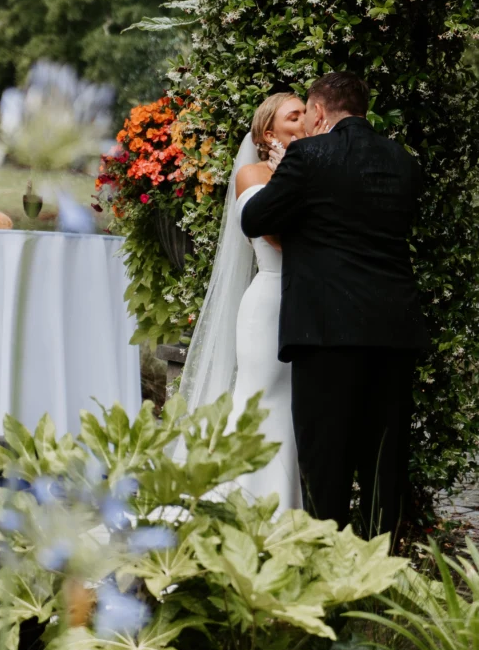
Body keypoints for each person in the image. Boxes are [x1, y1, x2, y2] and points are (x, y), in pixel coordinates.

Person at [240, 71, 430, 537]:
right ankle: (381, 569)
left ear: (319, 113)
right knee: (384, 463)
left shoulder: (309, 155)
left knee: (326, 466)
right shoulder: (402, 161)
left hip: (326, 333)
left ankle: (331, 576)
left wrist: (294, 187)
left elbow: (255, 218)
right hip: (393, 332)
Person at [177, 91, 318, 511]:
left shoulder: (315, 171)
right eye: (295, 116)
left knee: (292, 412)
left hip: (307, 305)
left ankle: (282, 514)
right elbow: (273, 235)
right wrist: (289, 178)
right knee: (259, 402)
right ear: (267, 133)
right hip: (269, 303)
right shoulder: (253, 175)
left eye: (306, 115)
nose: (306, 121)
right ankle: (232, 507)